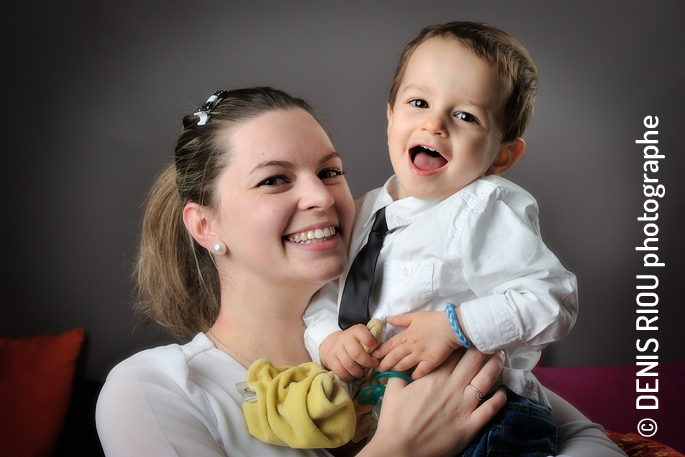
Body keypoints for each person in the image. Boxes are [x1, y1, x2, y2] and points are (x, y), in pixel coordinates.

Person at [95, 86, 509, 457]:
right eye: (274, 179)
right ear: (206, 225)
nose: (319, 197)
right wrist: (399, 450)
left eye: (330, 172)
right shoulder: (156, 389)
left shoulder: (412, 330)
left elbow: (574, 433)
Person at [303, 21, 577, 456]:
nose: (434, 124)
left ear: (503, 154)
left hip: (488, 417)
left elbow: (552, 301)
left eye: (465, 115)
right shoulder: (364, 211)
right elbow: (327, 295)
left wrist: (456, 327)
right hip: (390, 422)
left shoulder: (485, 207)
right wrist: (327, 339)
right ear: (391, 115)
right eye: (419, 102)